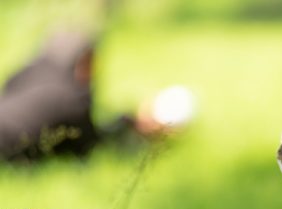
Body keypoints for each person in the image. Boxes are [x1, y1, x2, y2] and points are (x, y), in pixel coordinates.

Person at [0, 31, 192, 163]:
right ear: (84, 62)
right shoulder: (73, 99)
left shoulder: (29, 71)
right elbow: (90, 147)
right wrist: (135, 126)